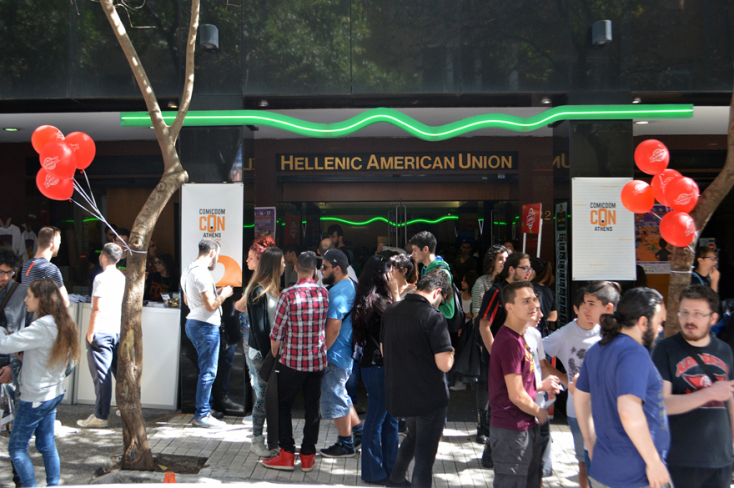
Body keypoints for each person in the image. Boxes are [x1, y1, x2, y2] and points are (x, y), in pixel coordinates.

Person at [575, 287, 670, 488]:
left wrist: (590, 443)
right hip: (636, 475)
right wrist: (654, 462)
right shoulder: (635, 353)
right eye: (659, 322)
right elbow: (628, 411)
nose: (660, 329)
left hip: (605, 470)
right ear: (643, 322)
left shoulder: (597, 350)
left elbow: (580, 399)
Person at [0, 279, 81, 488]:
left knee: (17, 448)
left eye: (29, 296)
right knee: (46, 444)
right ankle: (53, 485)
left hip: (35, 397)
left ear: (41, 300)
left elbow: (4, 345)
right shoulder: (59, 322)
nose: (25, 300)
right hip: (53, 393)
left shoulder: (41, 326)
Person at [652, 285, 734, 488]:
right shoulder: (665, 349)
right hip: (680, 460)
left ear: (713, 318)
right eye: (685, 313)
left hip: (721, 459)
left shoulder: (725, 350)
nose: (689, 320)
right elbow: (663, 403)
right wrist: (710, 393)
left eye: (698, 314)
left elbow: (731, 401)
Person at [542, 282, 621, 488]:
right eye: (584, 305)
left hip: (607, 409)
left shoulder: (609, 331)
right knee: (585, 461)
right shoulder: (565, 333)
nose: (587, 310)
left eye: (592, 305)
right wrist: (563, 378)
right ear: (576, 308)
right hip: (577, 408)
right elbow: (537, 352)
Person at [381, 270, 454, 488]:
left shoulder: (391, 310)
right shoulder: (434, 316)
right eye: (442, 299)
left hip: (403, 392)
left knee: (413, 438)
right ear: (437, 292)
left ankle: (395, 480)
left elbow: (384, 351)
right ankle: (398, 481)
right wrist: (451, 352)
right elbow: (444, 364)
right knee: (425, 459)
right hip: (429, 396)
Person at [263, 251, 328, 472]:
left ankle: (287, 454)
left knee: (283, 406)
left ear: (297, 268)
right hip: (317, 361)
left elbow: (276, 333)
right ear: (316, 270)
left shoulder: (287, 294)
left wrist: (275, 356)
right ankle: (308, 455)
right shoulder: (324, 293)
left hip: (291, 362)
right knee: (312, 409)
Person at [487, 281, 547, 488]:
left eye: (534, 299)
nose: (533, 305)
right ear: (509, 307)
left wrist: (541, 387)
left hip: (523, 426)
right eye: (525, 301)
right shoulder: (510, 342)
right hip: (511, 430)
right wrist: (540, 412)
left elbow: (522, 384)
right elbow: (516, 394)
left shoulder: (520, 338)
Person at [477, 252, 532, 453]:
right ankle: (490, 449)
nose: (528, 272)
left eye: (530, 268)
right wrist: (495, 356)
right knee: (499, 401)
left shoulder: (525, 292)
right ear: (511, 269)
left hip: (519, 355)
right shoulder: (496, 291)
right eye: (524, 268)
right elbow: (484, 325)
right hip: (498, 356)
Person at [353, 255, 399, 483]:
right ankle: (373, 471)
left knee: (389, 419)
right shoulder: (378, 302)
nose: (394, 275)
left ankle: (392, 470)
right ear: (382, 275)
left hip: (377, 365)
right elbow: (398, 324)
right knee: (378, 418)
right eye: (391, 271)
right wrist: (397, 295)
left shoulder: (370, 298)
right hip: (377, 365)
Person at [234, 247, 285, 457]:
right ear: (274, 265)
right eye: (282, 262)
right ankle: (256, 439)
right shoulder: (257, 290)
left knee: (269, 397)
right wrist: (269, 356)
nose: (284, 266)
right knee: (263, 397)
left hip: (272, 352)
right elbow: (259, 328)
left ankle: (273, 440)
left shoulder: (272, 289)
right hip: (262, 353)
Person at [180, 238, 233, 428]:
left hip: (194, 323)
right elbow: (210, 306)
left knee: (205, 370)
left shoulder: (188, 270)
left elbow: (188, 300)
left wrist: (213, 293)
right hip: (205, 326)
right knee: (208, 372)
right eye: (217, 254)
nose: (217, 258)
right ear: (212, 252)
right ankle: (202, 415)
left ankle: (205, 409)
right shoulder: (201, 273)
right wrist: (223, 295)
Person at [319, 249, 363, 458]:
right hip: (342, 352)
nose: (321, 270)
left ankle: (346, 444)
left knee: (336, 397)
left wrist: (322, 352)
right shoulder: (348, 285)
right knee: (342, 396)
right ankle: (359, 434)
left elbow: (334, 328)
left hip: (335, 354)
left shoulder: (339, 292)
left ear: (337, 268)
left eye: (324, 267)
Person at [77, 243, 125, 428]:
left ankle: (101, 416)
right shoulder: (121, 277)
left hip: (102, 330)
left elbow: (96, 308)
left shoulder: (100, 278)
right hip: (117, 330)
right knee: (118, 373)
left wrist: (90, 332)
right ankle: (124, 408)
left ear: (103, 256)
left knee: (102, 376)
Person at [0, 248, 33, 488]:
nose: (4, 277)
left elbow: (28, 335)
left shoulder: (23, 293)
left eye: (9, 273)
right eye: (1, 272)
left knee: (15, 429)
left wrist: (13, 366)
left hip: (10, 366)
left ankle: (19, 478)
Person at [523, 301, 561, 480]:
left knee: (542, 447)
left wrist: (552, 383)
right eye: (536, 310)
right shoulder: (511, 339)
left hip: (539, 403)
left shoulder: (536, 334)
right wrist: (542, 386)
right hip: (521, 409)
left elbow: (542, 366)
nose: (541, 315)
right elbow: (513, 386)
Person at [409, 231, 455, 321]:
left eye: (415, 250)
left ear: (425, 249)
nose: (412, 253)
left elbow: (449, 311)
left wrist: (421, 305)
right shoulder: (424, 268)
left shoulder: (442, 272)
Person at [20, 226, 69, 307]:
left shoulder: (26, 266)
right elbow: (64, 301)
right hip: (43, 313)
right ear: (53, 245)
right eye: (59, 243)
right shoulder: (49, 268)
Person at [472, 245, 509, 318]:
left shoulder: (509, 281)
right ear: (492, 261)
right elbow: (477, 313)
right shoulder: (481, 282)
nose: (504, 262)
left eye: (506, 259)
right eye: (500, 259)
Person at [529, 258, 556, 337]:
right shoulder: (550, 291)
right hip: (545, 331)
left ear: (533, 272)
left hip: (531, 329)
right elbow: (554, 317)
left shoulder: (528, 290)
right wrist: (543, 320)